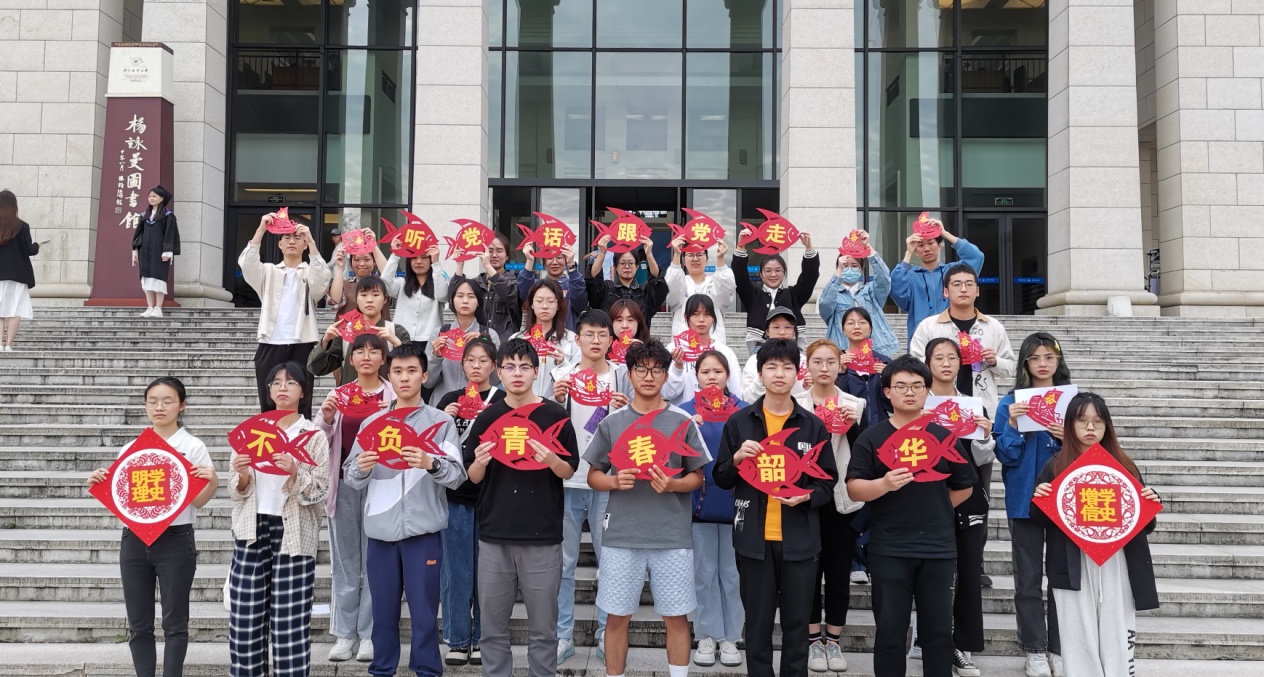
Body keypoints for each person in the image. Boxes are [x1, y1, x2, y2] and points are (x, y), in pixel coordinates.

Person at [585, 338, 710, 677]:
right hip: (621, 535)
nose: (649, 376)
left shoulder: (682, 421)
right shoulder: (612, 422)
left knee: (676, 617)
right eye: (641, 369)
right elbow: (593, 475)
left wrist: (672, 484)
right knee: (616, 616)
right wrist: (614, 481)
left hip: (671, 536)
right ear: (629, 374)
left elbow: (697, 477)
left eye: (657, 370)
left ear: (667, 375)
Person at [845, 355, 976, 677]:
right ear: (887, 392)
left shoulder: (943, 436)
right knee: (890, 631)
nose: (909, 392)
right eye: (901, 385)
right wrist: (884, 484)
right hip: (888, 547)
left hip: (938, 549)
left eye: (917, 385)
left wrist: (935, 507)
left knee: (938, 634)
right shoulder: (872, 437)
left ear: (927, 391)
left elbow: (965, 486)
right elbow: (854, 489)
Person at [344, 342, 469, 677]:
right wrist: (362, 467)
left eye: (412, 371)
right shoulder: (372, 423)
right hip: (381, 534)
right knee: (383, 614)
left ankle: (426, 669)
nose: (404, 378)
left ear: (424, 376)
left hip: (423, 534)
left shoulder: (441, 422)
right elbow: (350, 476)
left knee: (425, 614)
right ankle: (382, 669)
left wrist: (431, 463)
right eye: (397, 371)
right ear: (389, 375)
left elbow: (457, 476)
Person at [714, 339, 838, 677]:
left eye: (787, 367)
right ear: (760, 373)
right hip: (753, 542)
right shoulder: (740, 422)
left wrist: (806, 497)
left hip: (800, 540)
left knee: (798, 625)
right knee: (757, 625)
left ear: (798, 373)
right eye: (771, 367)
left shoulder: (812, 425)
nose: (779, 374)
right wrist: (737, 458)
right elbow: (721, 477)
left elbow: (828, 482)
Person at [86, 377, 218, 677]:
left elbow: (199, 502)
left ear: (182, 405)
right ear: (145, 406)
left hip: (175, 539)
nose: (159, 407)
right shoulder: (132, 449)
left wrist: (213, 482)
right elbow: (126, 502)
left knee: (175, 623)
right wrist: (100, 484)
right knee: (139, 624)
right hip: (134, 541)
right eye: (152, 401)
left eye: (167, 401)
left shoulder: (192, 447)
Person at [463, 339, 580, 677]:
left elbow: (569, 470)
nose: (517, 373)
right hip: (494, 534)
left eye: (525, 367)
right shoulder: (488, 417)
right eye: (510, 367)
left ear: (536, 371)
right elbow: (472, 476)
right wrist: (481, 462)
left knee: (544, 629)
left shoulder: (555, 416)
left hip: (542, 536)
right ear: (498, 372)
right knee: (492, 629)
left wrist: (551, 459)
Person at [1031, 393, 1161, 677]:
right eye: (1082, 421)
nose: (1090, 428)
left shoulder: (1124, 467)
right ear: (1069, 425)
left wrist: (1150, 502)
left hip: (1117, 561)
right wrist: (1039, 499)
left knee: (1117, 630)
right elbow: (1039, 519)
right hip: (1072, 563)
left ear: (1107, 427)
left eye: (1098, 422)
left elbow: (1144, 523)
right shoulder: (1055, 466)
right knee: (1078, 634)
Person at [227, 362, 330, 677]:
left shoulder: (313, 436)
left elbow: (320, 491)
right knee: (245, 619)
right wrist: (242, 474)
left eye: (291, 382)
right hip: (251, 529)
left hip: (294, 532)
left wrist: (296, 471)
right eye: (276, 382)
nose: (283, 387)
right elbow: (236, 491)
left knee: (290, 623)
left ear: (303, 390)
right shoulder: (251, 429)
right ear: (269, 390)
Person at [550, 309, 635, 664]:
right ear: (578, 338)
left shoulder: (621, 377)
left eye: (602, 335)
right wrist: (556, 400)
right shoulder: (562, 375)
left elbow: (637, 421)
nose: (596, 341)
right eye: (589, 334)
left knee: (610, 562)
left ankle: (606, 634)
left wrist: (626, 408)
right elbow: (547, 424)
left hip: (606, 480)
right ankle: (562, 636)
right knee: (563, 564)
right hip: (568, 480)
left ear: (611, 340)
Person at [994, 332, 1072, 677]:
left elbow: (1092, 450)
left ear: (1058, 361)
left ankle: (1060, 647)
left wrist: (1068, 439)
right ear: (1025, 363)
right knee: (1027, 578)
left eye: (1049, 357)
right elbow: (1006, 456)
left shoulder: (1073, 402)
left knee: (1061, 577)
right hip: (1025, 499)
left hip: (1064, 500)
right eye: (1035, 358)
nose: (1042, 364)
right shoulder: (1011, 402)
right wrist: (1013, 424)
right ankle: (1035, 649)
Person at [314, 333, 395, 663]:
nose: (366, 356)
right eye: (359, 351)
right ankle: (345, 633)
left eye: (374, 351)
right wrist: (326, 418)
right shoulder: (339, 394)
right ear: (350, 360)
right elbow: (317, 439)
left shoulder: (393, 394)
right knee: (346, 563)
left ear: (383, 359)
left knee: (374, 562)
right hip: (344, 485)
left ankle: (370, 633)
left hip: (381, 487)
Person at [923, 337, 997, 676]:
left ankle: (962, 644)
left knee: (967, 570)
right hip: (924, 497)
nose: (946, 363)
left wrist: (984, 435)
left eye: (952, 357)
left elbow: (982, 458)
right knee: (928, 573)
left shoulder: (972, 405)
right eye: (938, 358)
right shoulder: (915, 402)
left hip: (967, 496)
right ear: (928, 363)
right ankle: (928, 638)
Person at [793, 340, 866, 674]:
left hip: (842, 500)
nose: (824, 368)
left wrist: (854, 427)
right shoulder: (796, 403)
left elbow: (866, 451)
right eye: (817, 362)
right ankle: (813, 641)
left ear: (841, 365)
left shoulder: (854, 404)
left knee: (838, 573)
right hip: (806, 498)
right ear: (807, 366)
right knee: (808, 573)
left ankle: (833, 640)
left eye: (831, 362)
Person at [433, 336, 504, 667]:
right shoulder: (449, 400)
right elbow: (433, 449)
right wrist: (443, 419)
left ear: (495, 366)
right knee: (456, 571)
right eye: (471, 360)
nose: (477, 366)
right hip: (455, 496)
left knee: (488, 574)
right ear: (462, 365)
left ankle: (483, 638)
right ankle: (458, 639)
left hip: (493, 497)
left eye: (483, 360)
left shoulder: (501, 400)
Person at [680, 350, 746, 668]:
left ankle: (731, 636)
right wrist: (684, 430)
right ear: (696, 376)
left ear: (727, 375)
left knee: (733, 575)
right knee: (703, 573)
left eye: (717, 371)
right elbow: (672, 457)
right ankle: (706, 634)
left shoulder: (744, 412)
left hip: (738, 506)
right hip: (698, 504)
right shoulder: (684, 412)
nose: (711, 377)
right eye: (705, 371)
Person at [239, 212, 333, 419]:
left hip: (302, 343)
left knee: (302, 400)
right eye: (287, 237)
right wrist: (261, 229)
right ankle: (270, 435)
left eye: (297, 238)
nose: (292, 241)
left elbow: (322, 280)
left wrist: (311, 241)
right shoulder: (268, 271)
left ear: (304, 245)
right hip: (270, 342)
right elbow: (247, 264)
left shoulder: (309, 271)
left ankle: (301, 437)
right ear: (279, 244)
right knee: (268, 400)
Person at [909, 262, 1016, 417]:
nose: (963, 289)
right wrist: (940, 360)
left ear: (977, 291)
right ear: (945, 292)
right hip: (938, 409)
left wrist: (994, 361)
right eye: (957, 284)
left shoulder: (993, 327)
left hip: (982, 410)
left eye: (969, 284)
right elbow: (914, 366)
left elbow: (1011, 368)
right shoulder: (929, 326)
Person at [890, 216, 985, 343]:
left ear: (939, 246)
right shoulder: (911, 277)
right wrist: (908, 252)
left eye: (931, 243)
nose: (927, 249)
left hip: (953, 338)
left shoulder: (953, 272)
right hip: (921, 341)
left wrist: (944, 233)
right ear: (916, 251)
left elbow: (976, 257)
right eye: (921, 245)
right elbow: (895, 289)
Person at [308, 276, 410, 385]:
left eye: (375, 295)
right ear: (356, 299)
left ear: (385, 299)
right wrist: (325, 341)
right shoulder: (345, 332)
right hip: (353, 395)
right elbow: (317, 368)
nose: (369, 300)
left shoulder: (396, 332)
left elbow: (412, 369)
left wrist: (397, 343)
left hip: (387, 396)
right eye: (364, 295)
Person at [733, 232, 819, 355]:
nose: (773, 274)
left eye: (778, 270)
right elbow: (739, 276)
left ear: (784, 273)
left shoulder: (793, 295)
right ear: (761, 274)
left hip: (790, 348)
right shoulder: (753, 296)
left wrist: (809, 248)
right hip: (760, 349)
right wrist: (740, 248)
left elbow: (809, 276)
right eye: (768, 271)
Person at [819, 230, 898, 357]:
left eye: (854, 266)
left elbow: (884, 279)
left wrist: (868, 249)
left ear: (861, 269)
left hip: (875, 350)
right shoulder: (833, 294)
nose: (849, 269)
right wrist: (839, 271)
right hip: (843, 352)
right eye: (845, 266)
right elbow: (825, 304)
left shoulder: (871, 291)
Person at [425, 278, 500, 404]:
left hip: (479, 406)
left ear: (479, 302)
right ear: (452, 301)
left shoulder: (489, 335)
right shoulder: (439, 334)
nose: (465, 301)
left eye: (471, 296)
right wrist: (436, 357)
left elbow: (496, 379)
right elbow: (428, 382)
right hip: (442, 405)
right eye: (460, 296)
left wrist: (485, 345)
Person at [663, 295, 742, 407]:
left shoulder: (725, 352)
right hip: (684, 414)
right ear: (686, 317)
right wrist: (677, 367)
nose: (701, 320)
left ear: (713, 318)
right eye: (695, 314)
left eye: (707, 314)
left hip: (717, 414)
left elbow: (735, 390)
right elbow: (667, 393)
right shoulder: (674, 350)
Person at [509, 278, 580, 397]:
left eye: (551, 301)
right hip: (523, 403)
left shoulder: (571, 340)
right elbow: (506, 376)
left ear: (558, 305)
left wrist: (562, 364)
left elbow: (578, 378)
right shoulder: (517, 339)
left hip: (557, 405)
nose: (545, 306)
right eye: (539, 301)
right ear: (532, 304)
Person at [452, 233, 521, 344]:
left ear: (507, 256)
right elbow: (454, 303)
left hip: (504, 345)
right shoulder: (476, 283)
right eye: (489, 251)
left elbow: (510, 295)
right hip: (477, 344)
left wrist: (488, 266)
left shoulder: (513, 281)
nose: (493, 255)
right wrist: (459, 266)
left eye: (499, 251)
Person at [665, 236, 734, 343]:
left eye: (700, 255)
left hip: (713, 341)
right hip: (684, 343)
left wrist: (720, 258)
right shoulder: (681, 283)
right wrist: (676, 255)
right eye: (690, 255)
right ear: (683, 260)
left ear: (707, 259)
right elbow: (672, 291)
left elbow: (726, 295)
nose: (695, 259)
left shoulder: (715, 283)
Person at [588, 238, 668, 329]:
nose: (627, 266)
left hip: (639, 338)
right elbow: (593, 280)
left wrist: (649, 254)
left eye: (631, 263)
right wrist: (601, 254)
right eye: (622, 263)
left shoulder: (645, 293)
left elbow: (657, 282)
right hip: (611, 337)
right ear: (615, 267)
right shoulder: (606, 290)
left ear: (637, 266)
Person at [383, 242, 447, 350]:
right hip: (401, 338)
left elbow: (443, 295)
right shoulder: (401, 283)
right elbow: (385, 285)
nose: (418, 262)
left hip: (430, 340)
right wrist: (395, 254)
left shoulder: (438, 283)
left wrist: (436, 263)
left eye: (424, 257)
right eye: (414, 258)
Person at [835, 307, 892, 427]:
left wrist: (887, 378)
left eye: (862, 322)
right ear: (843, 329)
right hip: (849, 426)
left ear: (870, 328)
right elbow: (833, 398)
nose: (856, 327)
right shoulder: (836, 360)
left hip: (879, 426)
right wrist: (840, 373)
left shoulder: (883, 361)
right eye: (850, 323)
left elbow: (892, 405)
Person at [130, 186, 181, 318]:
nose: (151, 198)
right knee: (147, 279)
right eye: (149, 196)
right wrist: (135, 250)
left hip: (160, 253)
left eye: (154, 196)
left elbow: (170, 234)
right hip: (145, 252)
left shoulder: (168, 216)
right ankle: (150, 307)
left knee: (158, 279)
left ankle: (158, 308)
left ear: (162, 198)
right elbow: (138, 234)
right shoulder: (144, 215)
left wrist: (167, 251)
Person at [0, 190, 40, 352]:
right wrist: (37, 245)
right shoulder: (22, 226)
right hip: (18, 274)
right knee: (15, 310)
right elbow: (30, 250)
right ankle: (9, 345)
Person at [741, 306, 807, 402]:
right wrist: (761, 379)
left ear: (794, 332)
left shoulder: (804, 361)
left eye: (787, 327)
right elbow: (747, 399)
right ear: (767, 331)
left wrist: (809, 387)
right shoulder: (754, 361)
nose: (782, 332)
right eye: (776, 327)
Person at [520, 244, 589, 330]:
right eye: (550, 258)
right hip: (539, 335)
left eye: (559, 258)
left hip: (566, 335)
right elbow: (523, 296)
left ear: (565, 260)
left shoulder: (572, 285)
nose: (555, 262)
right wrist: (529, 261)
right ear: (544, 262)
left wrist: (571, 266)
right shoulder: (537, 286)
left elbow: (580, 304)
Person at [328, 229, 388, 314]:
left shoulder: (381, 282)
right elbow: (335, 301)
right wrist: (339, 267)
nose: (362, 264)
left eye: (367, 259)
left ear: (374, 262)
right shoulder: (345, 285)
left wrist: (373, 244)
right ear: (351, 262)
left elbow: (388, 274)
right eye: (357, 260)